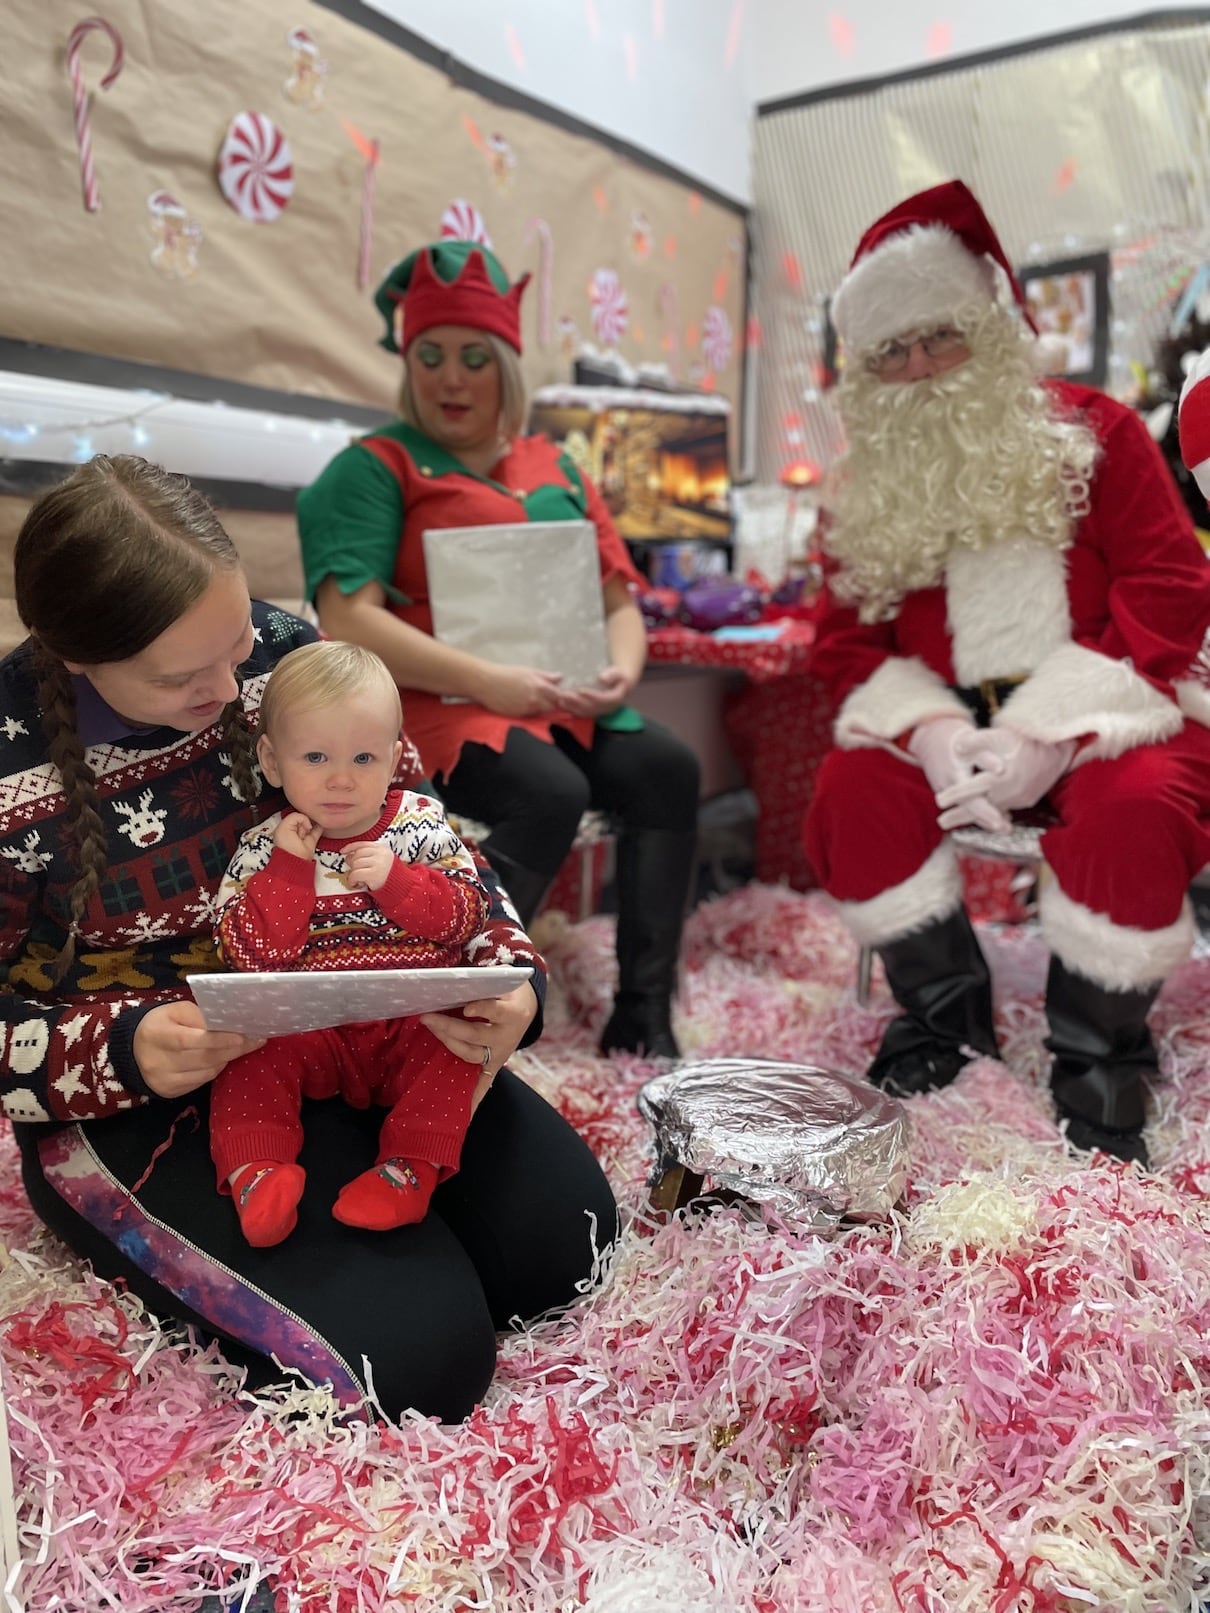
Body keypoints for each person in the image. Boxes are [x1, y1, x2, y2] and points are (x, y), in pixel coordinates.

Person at [2, 453, 618, 1424]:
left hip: (356, 1024)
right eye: (183, 675)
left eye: (239, 636)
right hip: (146, 1091)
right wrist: (124, 1049)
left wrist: (509, 981)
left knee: (567, 1248)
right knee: (420, 1361)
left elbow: (419, 825)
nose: (235, 677)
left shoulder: (287, 653)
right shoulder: (10, 756)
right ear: (77, 657)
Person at [802, 179, 1210, 1167]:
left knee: (1140, 805)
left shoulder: (1097, 432)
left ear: (989, 323)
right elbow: (845, 646)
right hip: (947, 728)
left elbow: (1167, 585)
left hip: (1115, 708)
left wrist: (1051, 732)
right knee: (849, 790)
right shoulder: (862, 488)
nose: (919, 367)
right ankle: (946, 1018)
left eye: (938, 335)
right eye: (890, 351)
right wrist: (931, 733)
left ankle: (1097, 1041)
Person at [296, 238, 701, 1059]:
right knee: (545, 791)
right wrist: (489, 680)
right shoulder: (376, 467)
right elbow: (349, 618)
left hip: (561, 696)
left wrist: (621, 667)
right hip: (443, 704)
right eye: (431, 356)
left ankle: (645, 1014)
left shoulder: (557, 463)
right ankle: (440, 1002)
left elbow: (617, 598)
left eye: (474, 357)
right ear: (408, 365)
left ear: (505, 366)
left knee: (671, 768)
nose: (451, 377)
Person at [210, 640, 499, 1247]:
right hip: (312, 1030)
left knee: (459, 1050)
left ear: (394, 757)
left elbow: (468, 916)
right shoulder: (265, 846)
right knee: (249, 1050)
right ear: (272, 758)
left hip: (411, 1021)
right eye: (315, 757)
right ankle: (255, 1171)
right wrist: (290, 871)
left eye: (364, 758)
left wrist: (398, 881)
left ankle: (409, 1171)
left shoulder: (418, 822)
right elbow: (250, 957)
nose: (341, 779)